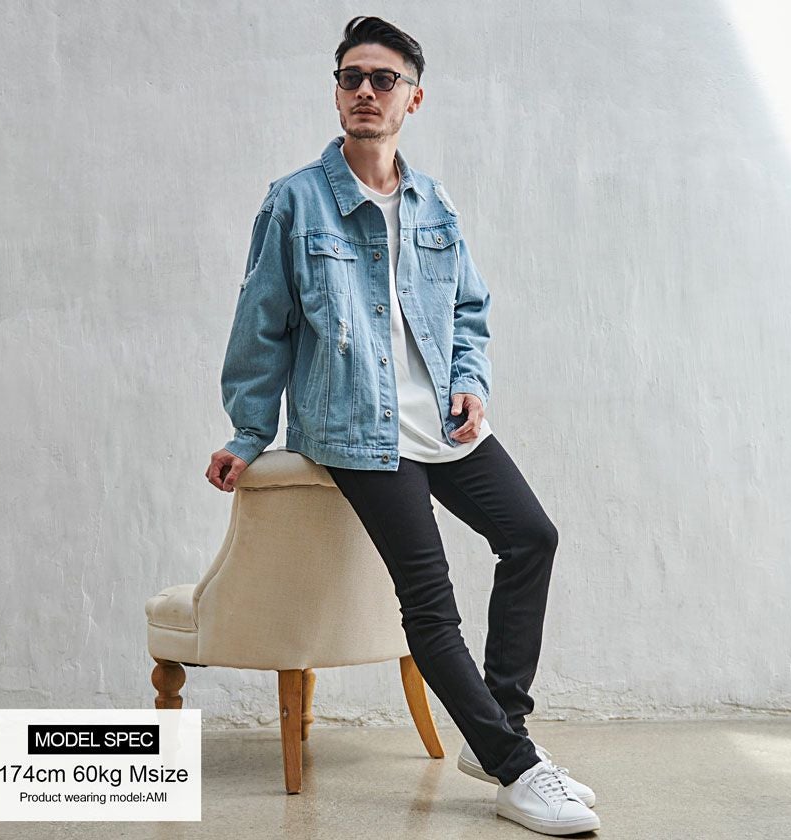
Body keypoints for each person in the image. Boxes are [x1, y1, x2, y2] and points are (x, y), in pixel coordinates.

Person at [204, 15, 600, 836]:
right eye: (351, 77)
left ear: (413, 99)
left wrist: (471, 383)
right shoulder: (294, 201)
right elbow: (261, 326)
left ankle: (500, 730)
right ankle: (517, 770)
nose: (365, 91)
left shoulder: (432, 200)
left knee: (532, 537)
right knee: (430, 600)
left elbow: (468, 310)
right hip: (357, 430)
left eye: (383, 79)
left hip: (443, 427)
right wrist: (248, 432)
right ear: (336, 92)